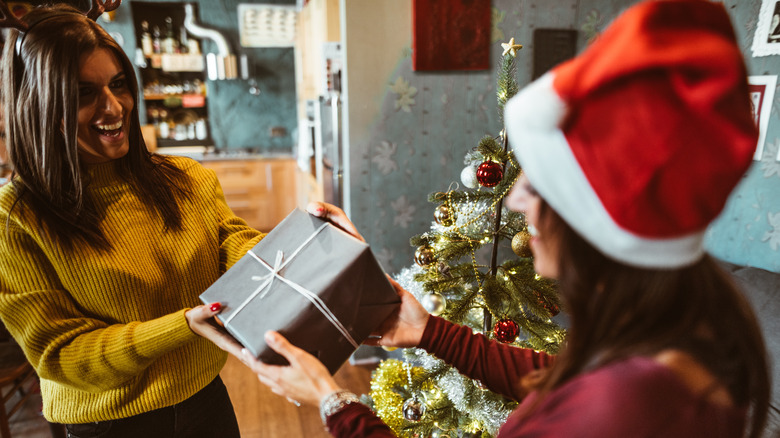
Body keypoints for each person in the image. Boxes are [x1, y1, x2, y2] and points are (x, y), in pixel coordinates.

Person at [197, 1, 771, 437]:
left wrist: (333, 403)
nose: (517, 199)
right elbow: (554, 375)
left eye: (541, 183)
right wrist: (429, 332)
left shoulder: (621, 407)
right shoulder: (671, 328)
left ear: (596, 218)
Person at [0, 3, 274, 436]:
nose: (114, 108)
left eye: (119, 85)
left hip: (205, 399)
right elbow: (61, 353)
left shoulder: (184, 177)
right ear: (40, 105)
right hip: (110, 424)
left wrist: (282, 254)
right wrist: (182, 326)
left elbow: (227, 240)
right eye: (84, 93)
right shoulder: (15, 220)